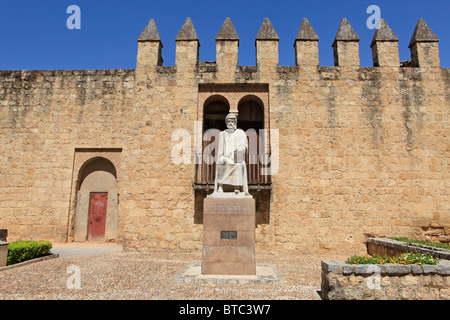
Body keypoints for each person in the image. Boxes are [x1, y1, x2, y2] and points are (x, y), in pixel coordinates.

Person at [213, 113, 250, 196]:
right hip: (226, 157)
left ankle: (236, 187)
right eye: (228, 121)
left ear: (235, 123)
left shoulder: (240, 133)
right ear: (226, 123)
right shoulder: (222, 134)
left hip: (237, 157)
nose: (230, 123)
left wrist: (236, 153)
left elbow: (244, 145)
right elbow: (220, 150)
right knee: (221, 161)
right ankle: (221, 186)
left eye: (232, 121)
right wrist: (222, 157)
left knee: (238, 163)